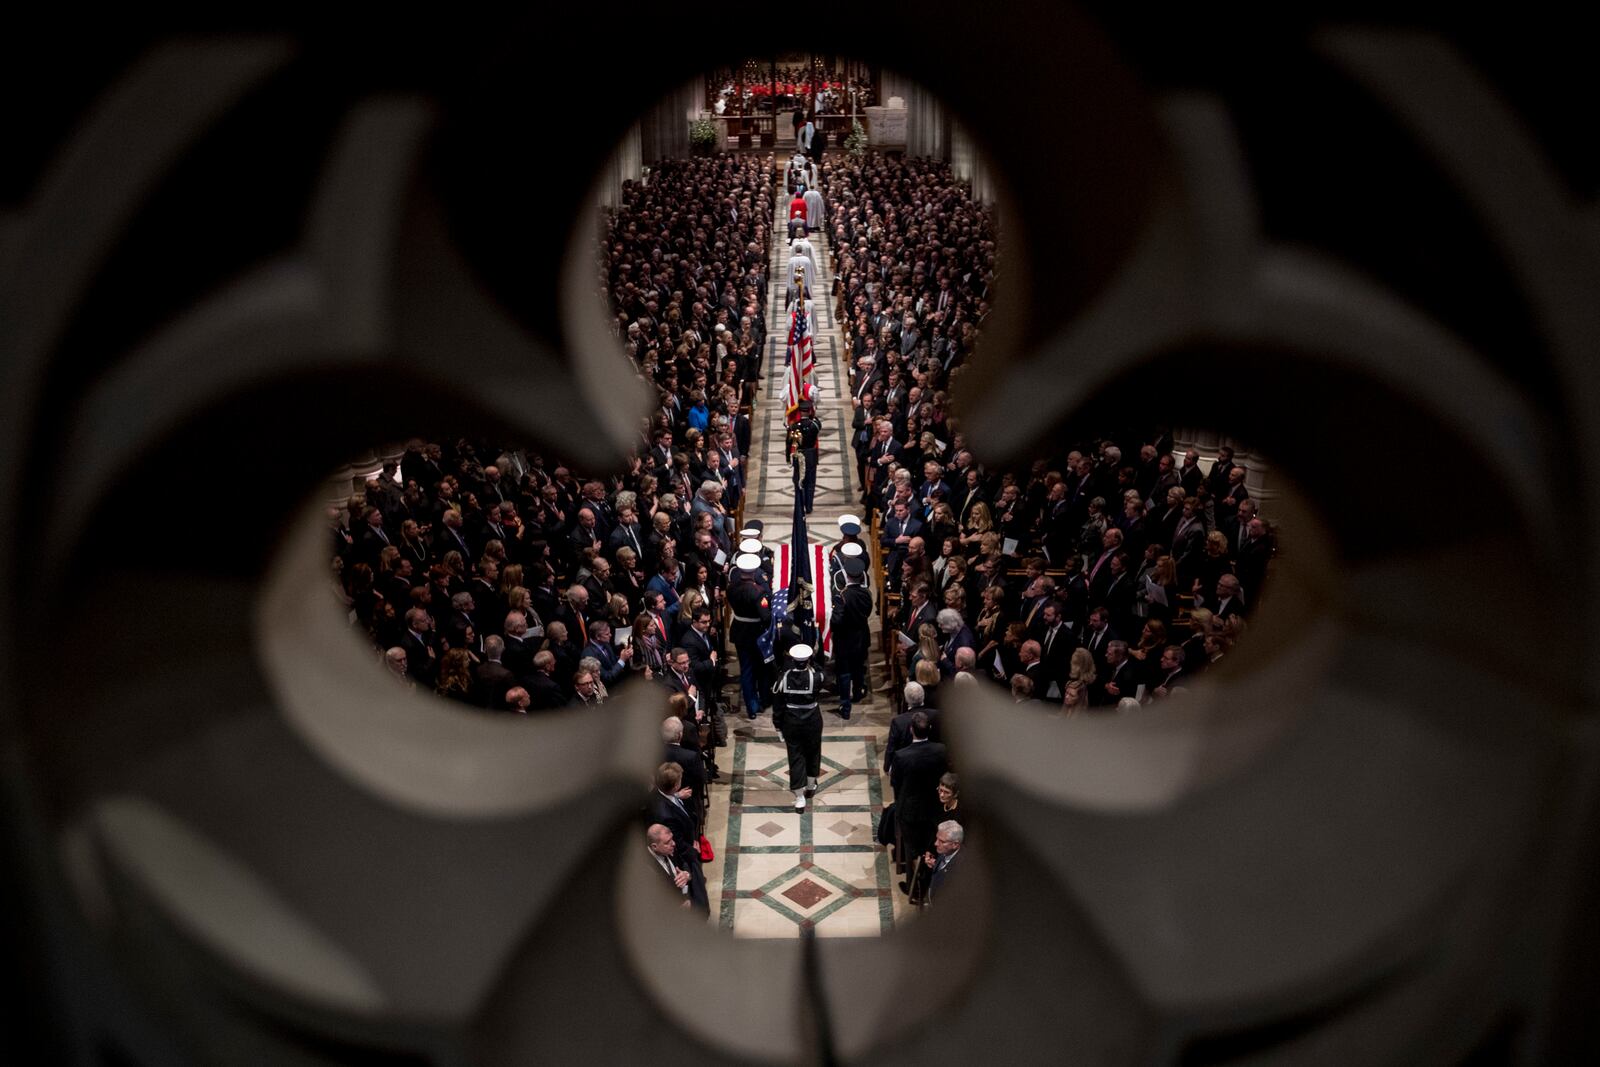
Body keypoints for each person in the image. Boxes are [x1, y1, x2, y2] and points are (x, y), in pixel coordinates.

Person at [890, 711, 948, 903]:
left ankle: (913, 888)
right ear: (929, 729)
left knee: (911, 849)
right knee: (930, 847)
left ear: (910, 730)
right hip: (933, 808)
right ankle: (929, 882)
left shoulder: (901, 756)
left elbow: (896, 783)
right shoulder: (941, 750)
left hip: (910, 811)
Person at [771, 644, 824, 812]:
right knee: (813, 752)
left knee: (795, 756)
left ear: (792, 660)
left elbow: (778, 705)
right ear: (808, 659)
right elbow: (824, 674)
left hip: (791, 722)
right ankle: (810, 785)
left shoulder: (783, 678)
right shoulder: (816, 678)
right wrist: (813, 662)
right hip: (813, 721)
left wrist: (778, 725)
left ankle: (800, 798)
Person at [727, 553, 772, 719]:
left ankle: (751, 708)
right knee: (761, 668)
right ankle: (761, 701)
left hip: (739, 631)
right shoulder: (757, 591)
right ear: (754, 572)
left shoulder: (731, 587)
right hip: (756, 633)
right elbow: (765, 616)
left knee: (746, 670)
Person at [831, 550, 873, 718]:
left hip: (845, 639)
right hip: (861, 636)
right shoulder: (866, 595)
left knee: (844, 671)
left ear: (847, 577)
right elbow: (868, 613)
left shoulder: (843, 596)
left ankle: (845, 705)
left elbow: (836, 621)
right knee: (858, 667)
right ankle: (857, 692)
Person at [922, 820, 965, 906]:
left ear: (955, 844)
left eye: (941, 841)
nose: (935, 843)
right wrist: (936, 865)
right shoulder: (946, 851)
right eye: (936, 838)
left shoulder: (963, 868)